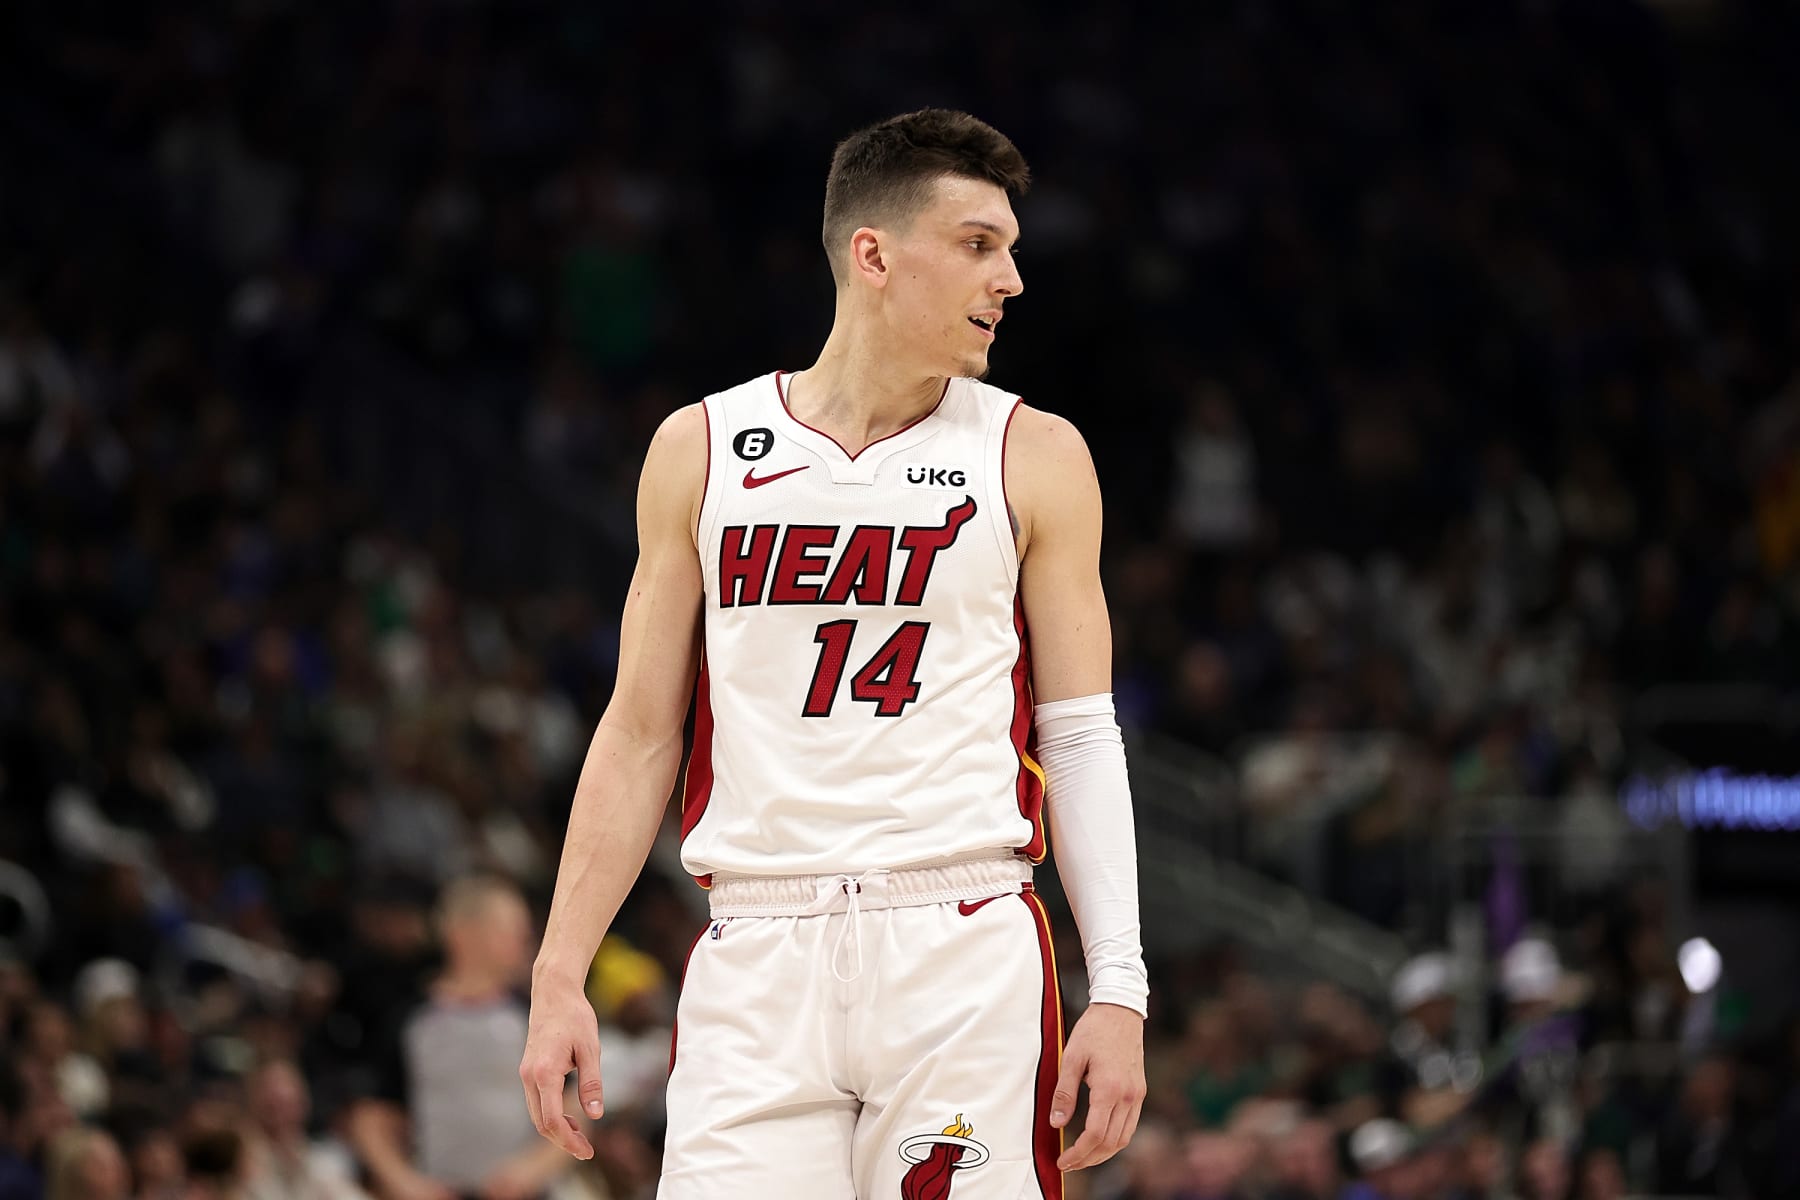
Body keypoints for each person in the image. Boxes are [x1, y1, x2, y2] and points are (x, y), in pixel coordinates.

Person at [520, 108, 1148, 1197]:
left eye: (1009, 246)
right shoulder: (700, 449)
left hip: (959, 940)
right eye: (977, 244)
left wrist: (1122, 990)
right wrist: (558, 971)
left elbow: (1081, 734)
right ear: (874, 254)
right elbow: (639, 728)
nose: (1011, 278)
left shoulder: (1036, 453)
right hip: (757, 948)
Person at [348, 876, 576, 1200]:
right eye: (510, 927)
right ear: (463, 933)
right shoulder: (411, 1020)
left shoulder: (533, 1017)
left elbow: (574, 1108)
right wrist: (405, 1183)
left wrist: (532, 1170)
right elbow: (371, 1118)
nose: (525, 938)